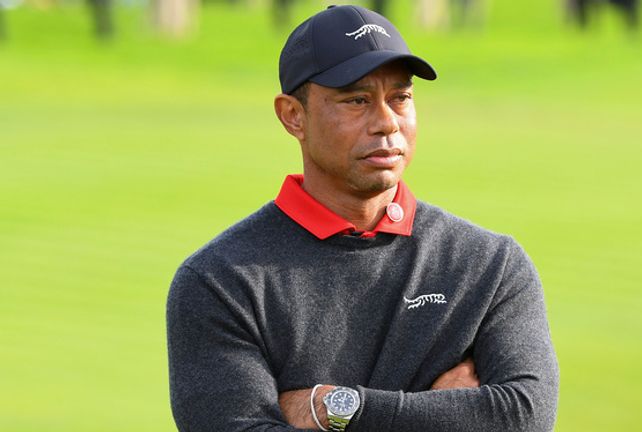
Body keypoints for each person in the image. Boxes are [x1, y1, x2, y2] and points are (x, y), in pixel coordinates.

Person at [166, 5, 558, 432]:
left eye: (400, 98)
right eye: (357, 100)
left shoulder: (490, 265)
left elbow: (525, 416)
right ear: (293, 116)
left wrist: (334, 407)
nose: (387, 122)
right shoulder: (220, 281)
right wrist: (441, 415)